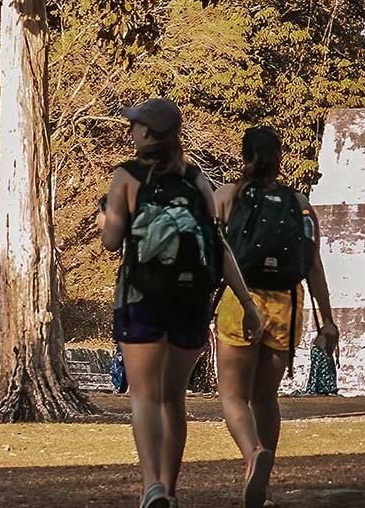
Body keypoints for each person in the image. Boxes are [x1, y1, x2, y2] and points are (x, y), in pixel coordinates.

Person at [101, 98, 263, 508]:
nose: (131, 130)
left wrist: (107, 220)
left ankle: (152, 486)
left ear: (145, 133)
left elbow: (111, 241)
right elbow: (218, 243)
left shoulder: (127, 176)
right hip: (192, 302)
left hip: (142, 298)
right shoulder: (196, 179)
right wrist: (246, 302)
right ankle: (170, 491)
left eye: (135, 125)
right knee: (174, 398)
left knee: (144, 397)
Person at [214, 126, 339, 508]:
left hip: (241, 298)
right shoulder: (299, 202)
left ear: (244, 156)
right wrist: (327, 322)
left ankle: (253, 455)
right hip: (288, 302)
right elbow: (313, 263)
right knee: (266, 397)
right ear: (280, 158)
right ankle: (264, 488)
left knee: (233, 396)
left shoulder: (227, 196)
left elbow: (211, 250)